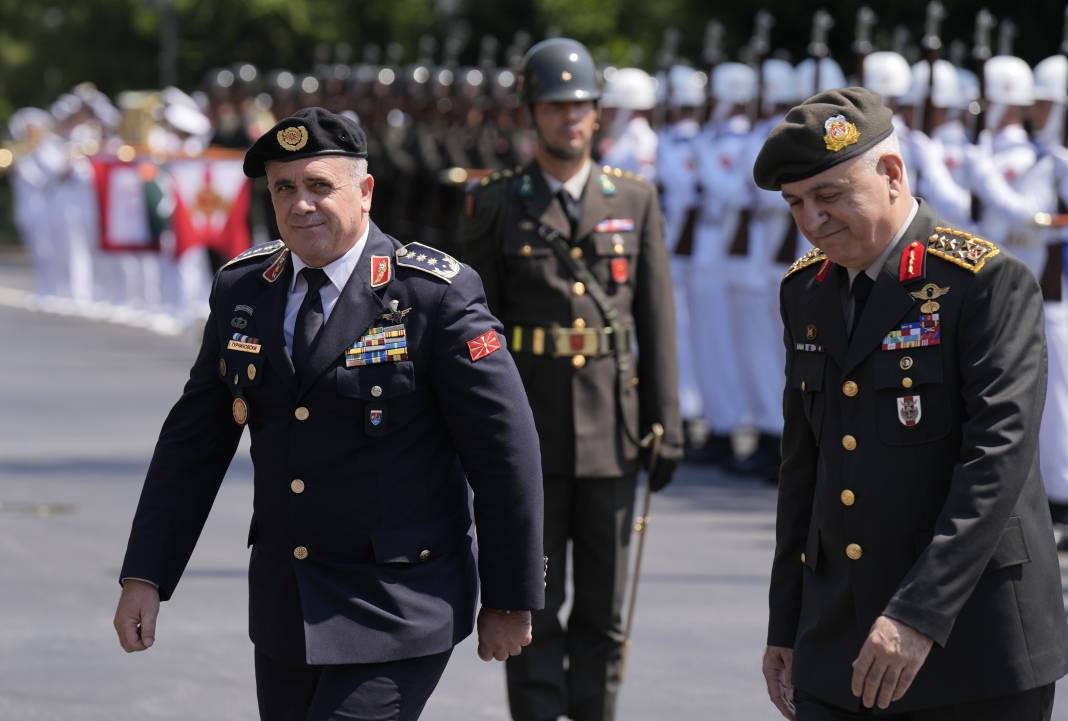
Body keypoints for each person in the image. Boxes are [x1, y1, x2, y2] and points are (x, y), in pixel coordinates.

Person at [113, 107, 546, 721]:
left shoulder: (432, 296)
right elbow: (193, 444)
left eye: (320, 185)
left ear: (365, 192)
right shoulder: (245, 291)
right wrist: (147, 575)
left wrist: (510, 596)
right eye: (284, 188)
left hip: (398, 602)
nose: (300, 205)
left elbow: (506, 454)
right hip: (287, 606)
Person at [754, 87, 1068, 720]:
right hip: (840, 636)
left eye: (830, 196)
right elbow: (803, 467)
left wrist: (918, 614)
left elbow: (995, 463)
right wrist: (785, 621)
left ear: (891, 173)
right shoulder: (806, 291)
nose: (812, 221)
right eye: (796, 204)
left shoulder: (980, 282)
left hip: (972, 644)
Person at [461, 37, 682, 721]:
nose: (571, 119)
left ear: (598, 115)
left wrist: (665, 422)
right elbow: (472, 331)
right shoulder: (496, 203)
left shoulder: (635, 200)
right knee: (530, 600)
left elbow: (657, 319)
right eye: (557, 107)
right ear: (532, 113)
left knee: (603, 607)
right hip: (527, 434)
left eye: (582, 106)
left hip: (612, 435)